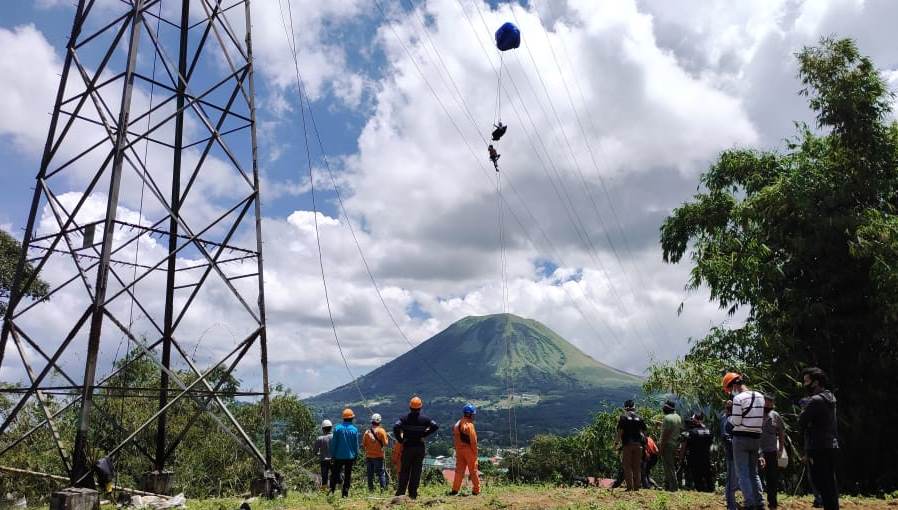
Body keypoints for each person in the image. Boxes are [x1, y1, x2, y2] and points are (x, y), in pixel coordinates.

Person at [799, 367, 839, 510]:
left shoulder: (815, 401)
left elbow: (802, 421)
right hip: (831, 445)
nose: (805, 385)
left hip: (818, 446)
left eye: (806, 381)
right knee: (830, 483)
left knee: (820, 482)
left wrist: (804, 410)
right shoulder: (830, 397)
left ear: (815, 382)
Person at [724, 372, 765, 510]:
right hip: (756, 438)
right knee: (754, 473)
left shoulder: (738, 399)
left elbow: (736, 421)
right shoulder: (760, 396)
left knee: (742, 473)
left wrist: (729, 414)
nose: (731, 392)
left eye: (730, 389)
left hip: (741, 438)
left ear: (734, 385)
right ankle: (760, 502)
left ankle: (749, 503)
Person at [394, 396, 439, 500]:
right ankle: (413, 494)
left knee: (405, 470)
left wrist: (400, 440)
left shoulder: (404, 418)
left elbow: (396, 427)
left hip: (408, 447)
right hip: (419, 447)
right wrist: (424, 434)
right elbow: (435, 426)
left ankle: (401, 493)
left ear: (410, 407)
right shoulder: (425, 419)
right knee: (416, 471)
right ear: (420, 408)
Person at [761, 395, 786, 509]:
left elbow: (781, 433)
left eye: (771, 403)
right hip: (757, 451)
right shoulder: (755, 414)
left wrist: (780, 449)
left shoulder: (775, 415)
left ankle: (772, 503)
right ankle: (758, 502)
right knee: (757, 477)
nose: (769, 405)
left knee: (772, 478)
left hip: (771, 451)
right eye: (767, 403)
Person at [616, 399, 647, 492]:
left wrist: (616, 444)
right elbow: (645, 432)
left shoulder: (623, 417)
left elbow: (620, 432)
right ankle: (637, 487)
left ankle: (629, 487)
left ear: (625, 407)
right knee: (637, 466)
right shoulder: (640, 417)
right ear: (634, 407)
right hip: (638, 445)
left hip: (627, 445)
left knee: (627, 466)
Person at [451, 403, 480, 496]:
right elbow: (473, 441)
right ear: (470, 414)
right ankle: (476, 490)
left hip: (459, 450)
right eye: (473, 414)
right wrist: (475, 452)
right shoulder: (470, 425)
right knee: (473, 470)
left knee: (459, 471)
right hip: (469, 450)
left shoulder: (458, 423)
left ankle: (455, 489)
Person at [329, 408, 360, 498]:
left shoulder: (337, 428)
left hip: (338, 456)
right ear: (352, 418)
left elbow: (334, 443)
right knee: (347, 476)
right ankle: (345, 494)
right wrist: (356, 456)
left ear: (343, 418)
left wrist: (332, 455)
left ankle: (331, 492)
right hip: (350, 457)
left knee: (334, 474)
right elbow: (356, 445)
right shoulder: (354, 430)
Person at [682, 412, 713, 492]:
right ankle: (710, 491)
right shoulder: (709, 431)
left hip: (695, 459)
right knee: (708, 476)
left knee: (697, 478)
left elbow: (685, 446)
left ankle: (701, 492)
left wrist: (681, 458)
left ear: (695, 420)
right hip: (706, 458)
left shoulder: (692, 432)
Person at [659, 400, 683, 491]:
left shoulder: (667, 418)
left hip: (668, 445)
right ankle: (668, 486)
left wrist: (661, 448)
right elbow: (676, 428)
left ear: (667, 408)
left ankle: (673, 487)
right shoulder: (677, 417)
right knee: (670, 465)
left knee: (669, 467)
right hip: (675, 444)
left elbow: (666, 434)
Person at [363, 413, 389, 492]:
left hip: (369, 456)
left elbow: (364, 444)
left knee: (370, 475)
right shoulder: (382, 431)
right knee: (381, 474)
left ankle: (371, 490)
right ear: (379, 421)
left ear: (372, 422)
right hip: (378, 456)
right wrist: (386, 437)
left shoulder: (367, 432)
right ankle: (383, 491)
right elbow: (385, 444)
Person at [719, 412, 739, 510]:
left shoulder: (738, 416)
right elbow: (725, 436)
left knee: (735, 480)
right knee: (732, 480)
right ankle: (731, 505)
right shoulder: (725, 418)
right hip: (732, 453)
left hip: (741, 452)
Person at [312, 419, 333, 489]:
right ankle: (334, 490)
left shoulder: (320, 439)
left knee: (324, 478)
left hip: (324, 461)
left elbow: (315, 451)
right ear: (331, 428)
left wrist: (318, 454)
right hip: (334, 460)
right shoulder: (335, 437)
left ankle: (324, 492)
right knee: (335, 475)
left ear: (323, 429)